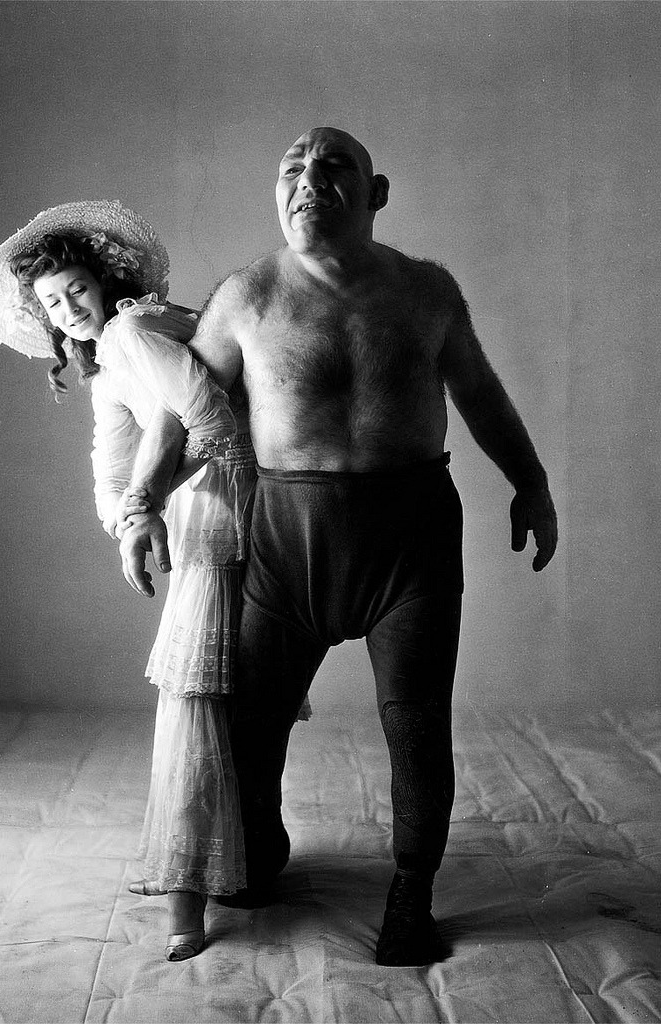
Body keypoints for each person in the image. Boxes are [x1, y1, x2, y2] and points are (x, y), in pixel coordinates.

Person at [118, 127, 558, 968]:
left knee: (416, 726)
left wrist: (530, 483)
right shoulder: (245, 297)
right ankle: (259, 843)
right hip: (287, 542)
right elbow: (183, 414)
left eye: (333, 166)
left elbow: (479, 392)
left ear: (377, 191)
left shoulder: (427, 292)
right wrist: (140, 502)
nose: (309, 180)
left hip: (411, 542)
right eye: (292, 168)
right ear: (274, 193)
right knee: (250, 726)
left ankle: (409, 895)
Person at [0, 200, 256, 962]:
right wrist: (129, 522)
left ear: (105, 281)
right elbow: (108, 473)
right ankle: (228, 866)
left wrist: (146, 502)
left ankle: (190, 896)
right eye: (53, 304)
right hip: (195, 516)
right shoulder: (106, 370)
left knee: (193, 704)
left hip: (232, 509)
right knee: (210, 705)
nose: (69, 311)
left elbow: (213, 422)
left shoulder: (134, 330)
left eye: (76, 290)